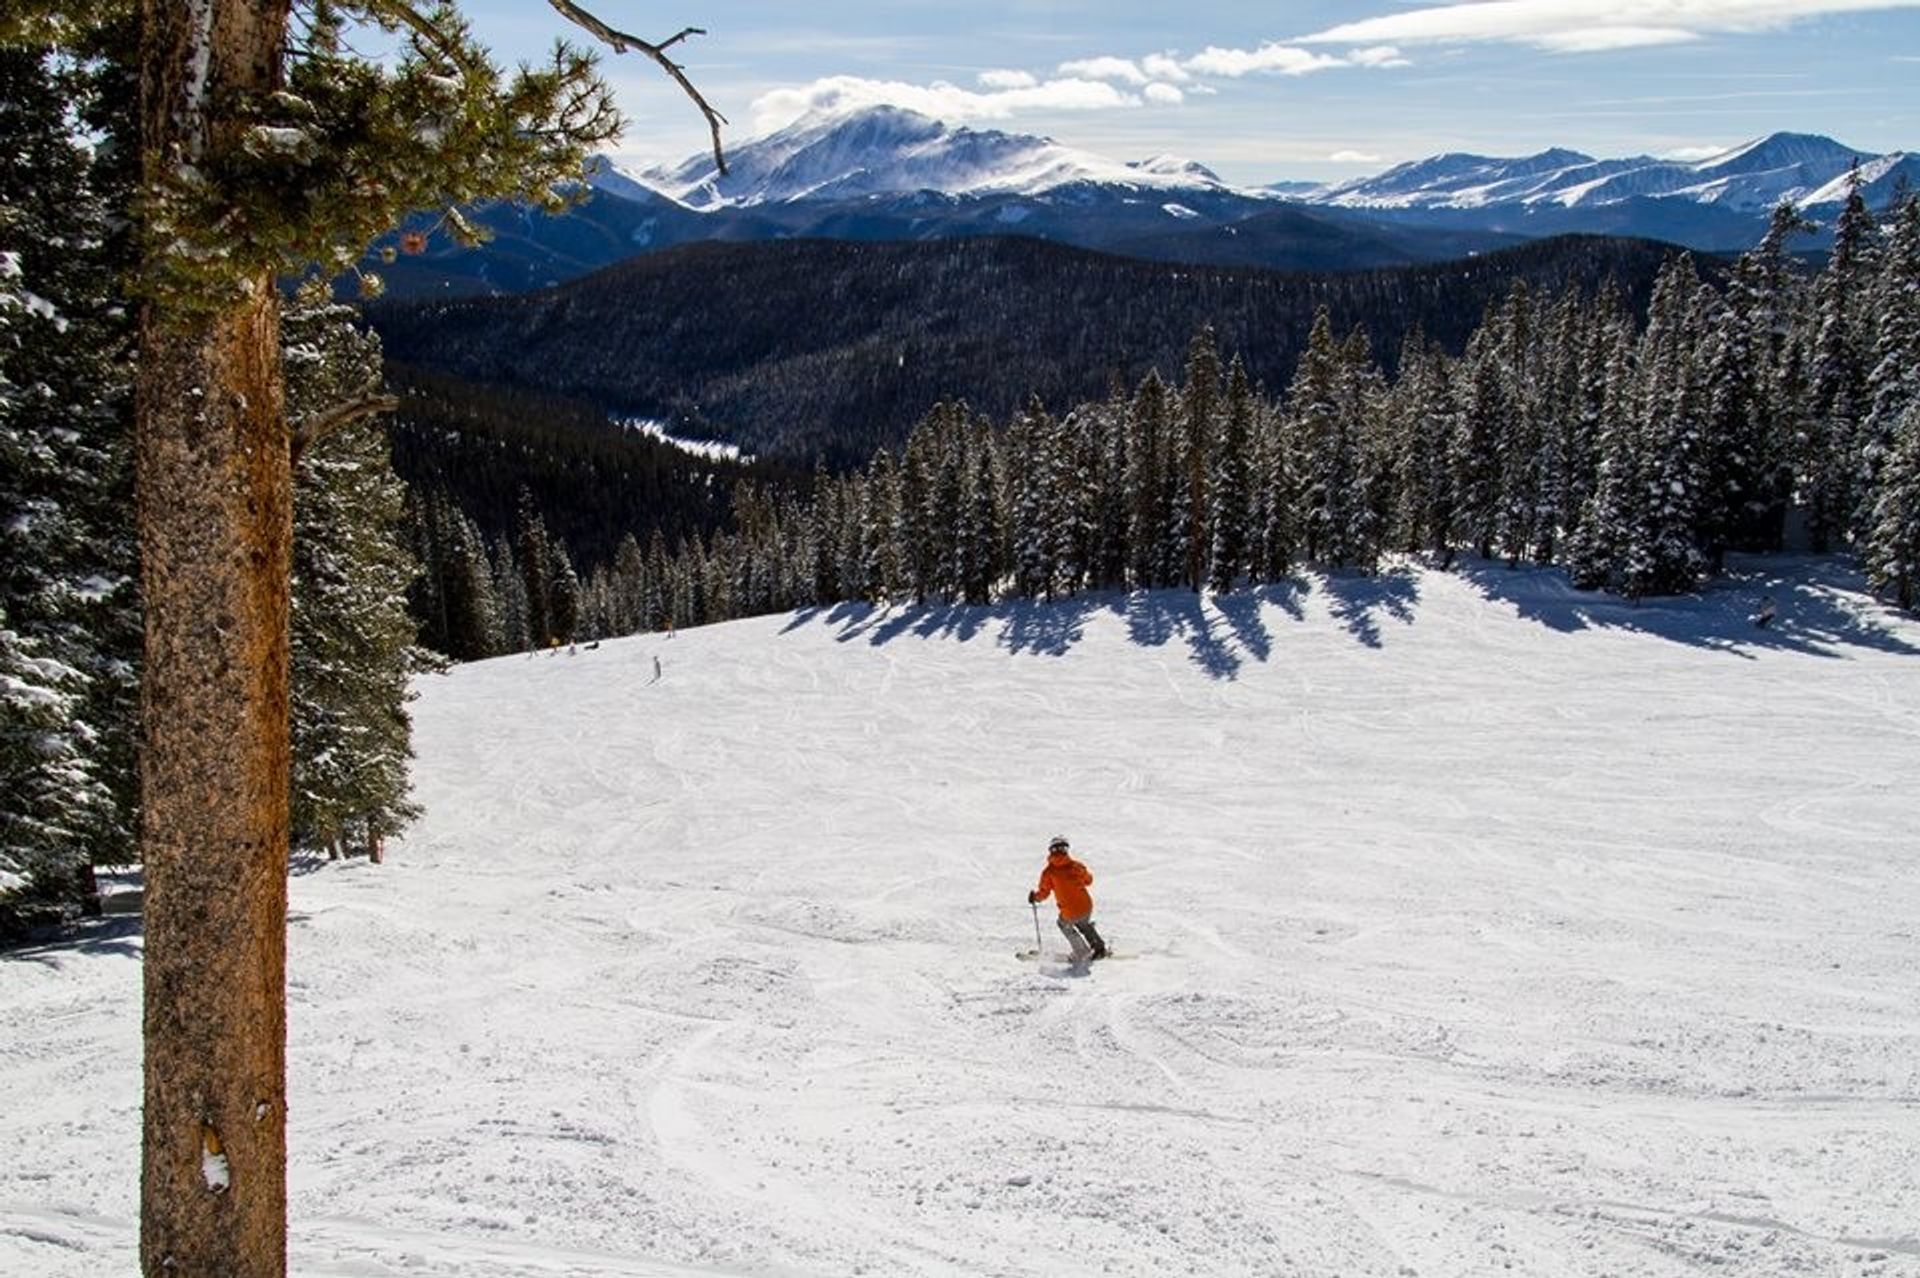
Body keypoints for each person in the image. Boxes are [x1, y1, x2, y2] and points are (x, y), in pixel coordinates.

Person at [1029, 835, 1107, 962]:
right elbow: (1089, 881)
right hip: (1086, 905)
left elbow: (1044, 893)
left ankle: (1081, 951)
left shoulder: (1049, 872)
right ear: (1066, 850)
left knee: (1063, 924)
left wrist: (1035, 897)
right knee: (1083, 924)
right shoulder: (1076, 866)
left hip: (1069, 911)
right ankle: (1099, 948)